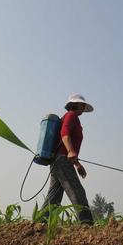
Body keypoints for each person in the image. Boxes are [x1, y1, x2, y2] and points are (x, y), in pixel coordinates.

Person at [42, 93, 94, 224]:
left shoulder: (69, 117)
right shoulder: (71, 116)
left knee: (53, 197)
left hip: (59, 160)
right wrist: (71, 151)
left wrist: (77, 165)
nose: (83, 107)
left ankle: (39, 222)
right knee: (77, 191)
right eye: (82, 104)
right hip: (62, 160)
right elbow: (64, 133)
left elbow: (67, 147)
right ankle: (86, 223)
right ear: (76, 104)